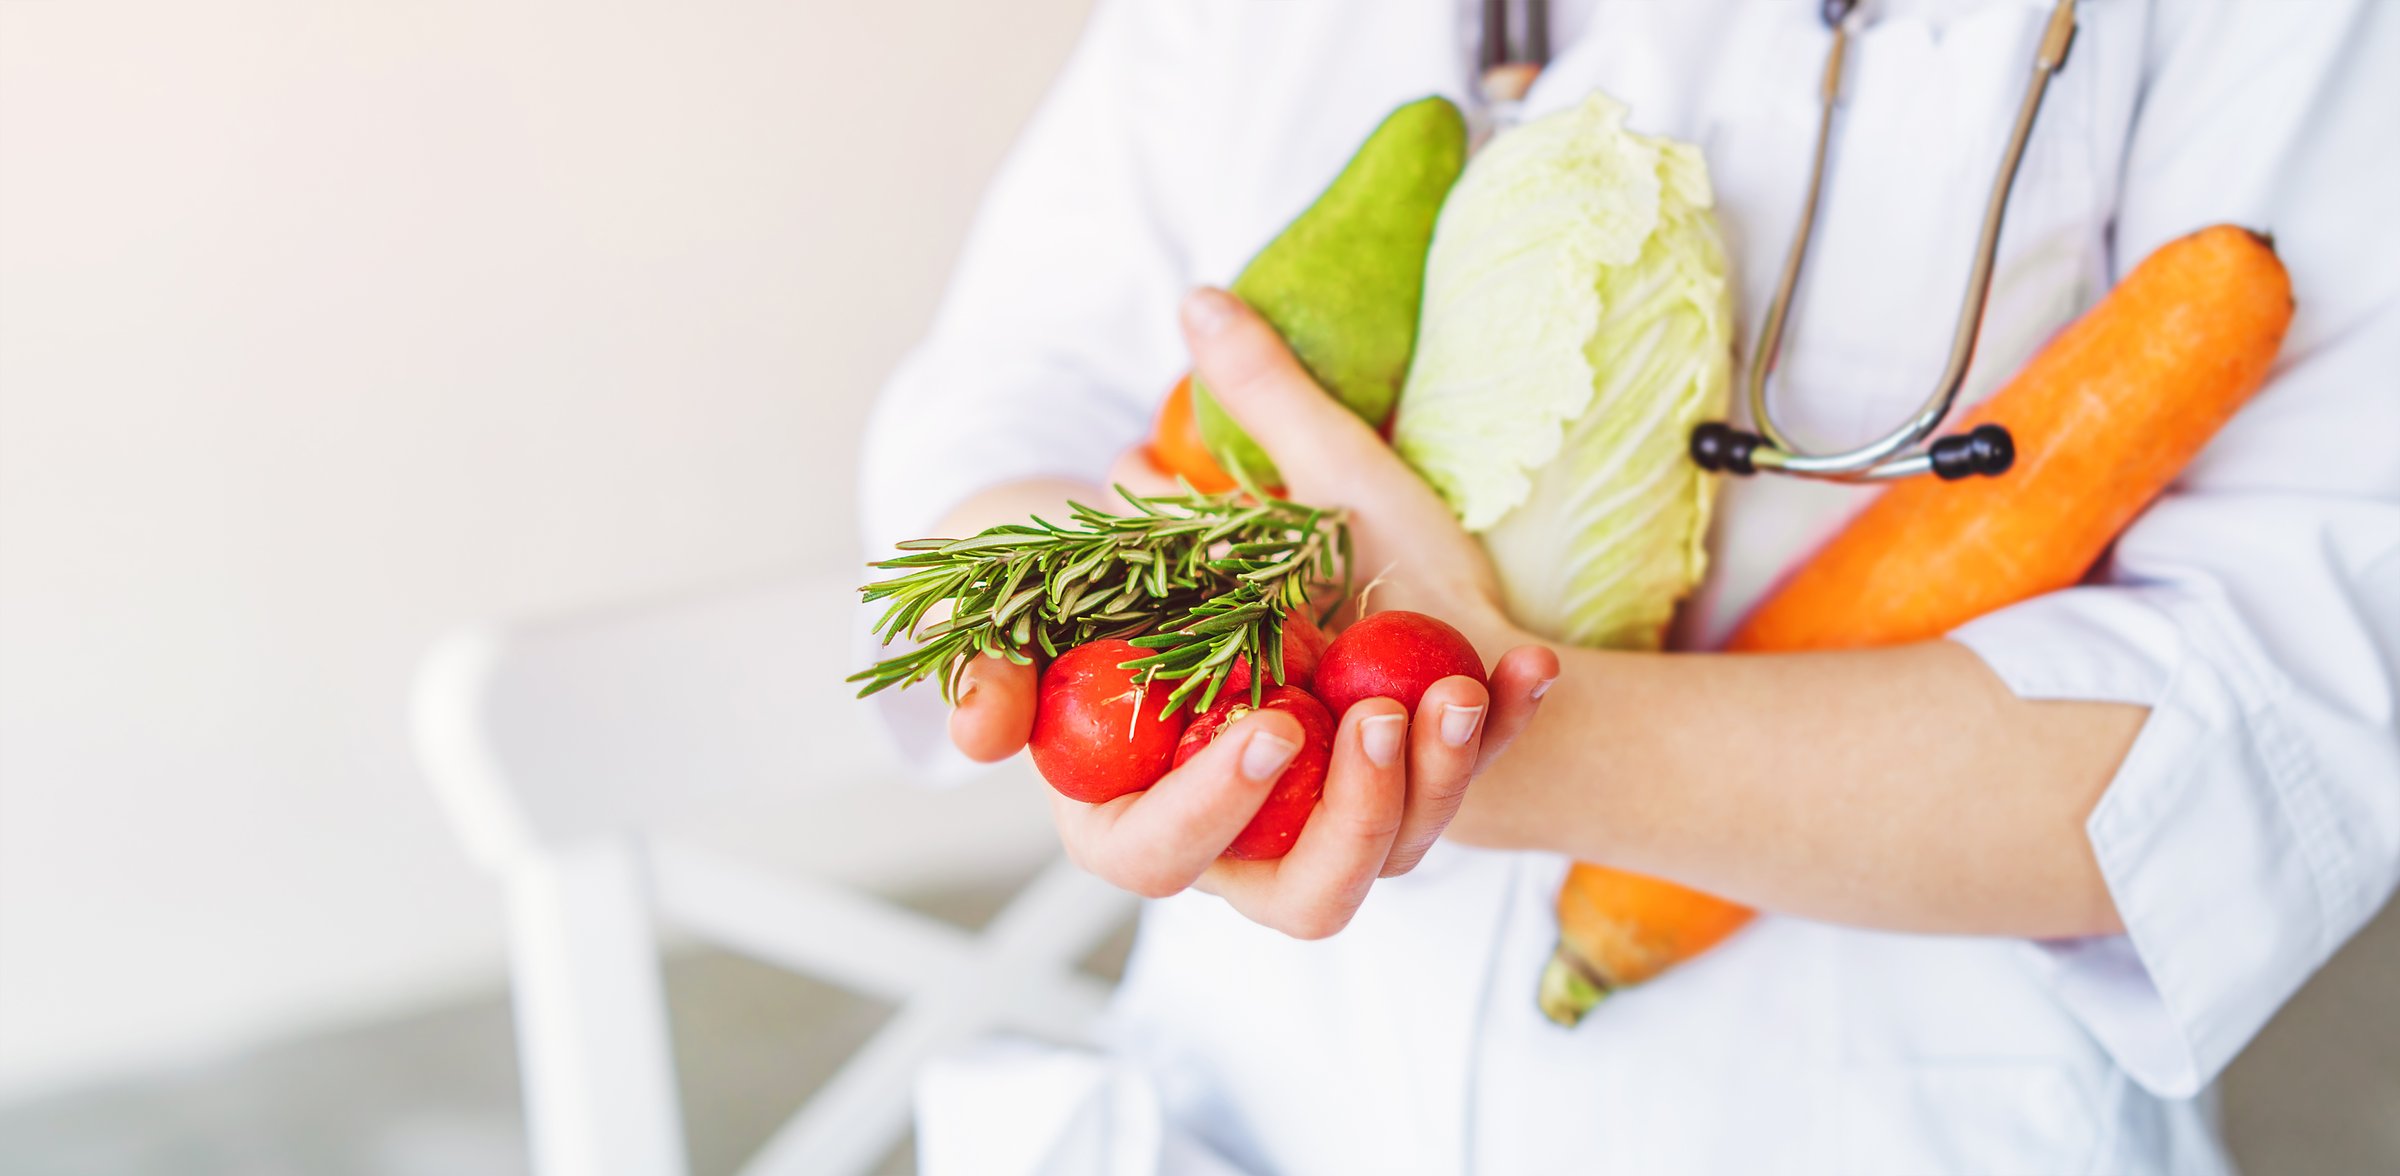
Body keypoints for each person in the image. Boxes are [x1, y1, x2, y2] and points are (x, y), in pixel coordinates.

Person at [858, 1, 2400, 1172]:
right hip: (1252, 1101)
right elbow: (1012, 404)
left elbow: (2270, 722)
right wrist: (1093, 617)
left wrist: (1476, 720)